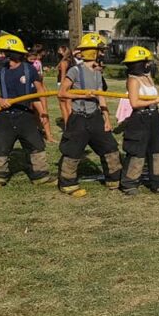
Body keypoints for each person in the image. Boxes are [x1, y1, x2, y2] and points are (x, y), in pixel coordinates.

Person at [0, 34, 55, 190]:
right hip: (5, 117)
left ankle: (40, 175)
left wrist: (43, 112)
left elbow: (40, 91)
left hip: (26, 115)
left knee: (36, 145)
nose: (0, 55)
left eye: (2, 52)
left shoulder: (29, 69)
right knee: (1, 147)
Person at [57, 33, 122, 197]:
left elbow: (101, 96)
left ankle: (114, 180)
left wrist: (106, 119)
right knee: (73, 151)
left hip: (95, 117)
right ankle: (68, 184)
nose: (102, 54)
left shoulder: (97, 73)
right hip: (78, 118)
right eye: (99, 50)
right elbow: (62, 93)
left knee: (110, 148)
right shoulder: (75, 70)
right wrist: (82, 95)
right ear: (91, 52)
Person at [119, 46, 159, 195]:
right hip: (139, 118)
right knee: (137, 151)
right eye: (146, 62)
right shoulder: (133, 80)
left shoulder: (148, 77)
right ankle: (129, 183)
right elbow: (134, 103)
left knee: (158, 149)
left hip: (153, 117)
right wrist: (154, 101)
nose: (149, 64)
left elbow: (153, 95)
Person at [56, 45, 73, 125]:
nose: (58, 52)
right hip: (70, 84)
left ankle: (67, 125)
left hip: (63, 84)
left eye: (59, 51)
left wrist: (61, 89)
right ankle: (71, 124)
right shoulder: (71, 61)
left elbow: (63, 76)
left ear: (63, 52)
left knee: (64, 106)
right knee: (68, 105)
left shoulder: (63, 62)